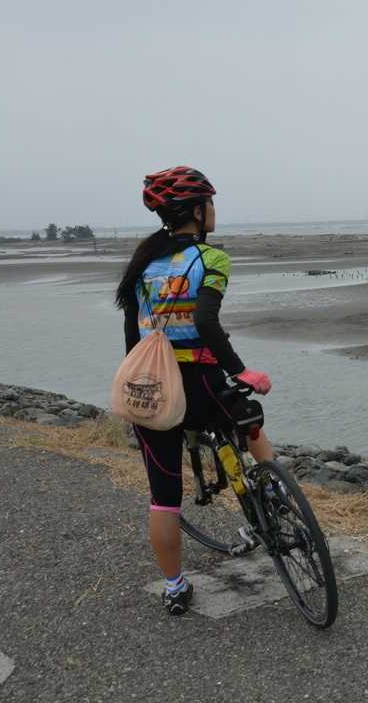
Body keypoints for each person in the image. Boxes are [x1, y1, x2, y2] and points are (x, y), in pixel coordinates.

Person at [114, 166, 274, 616]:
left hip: (153, 387)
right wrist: (241, 372)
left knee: (164, 497)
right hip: (201, 382)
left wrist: (137, 384)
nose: (215, 211)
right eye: (211, 204)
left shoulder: (142, 266)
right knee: (251, 422)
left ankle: (174, 586)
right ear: (198, 212)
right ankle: (281, 497)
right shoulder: (211, 259)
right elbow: (206, 321)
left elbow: (133, 336)